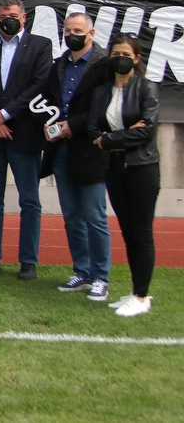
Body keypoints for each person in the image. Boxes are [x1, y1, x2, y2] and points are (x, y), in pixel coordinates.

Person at [0, 0, 53, 280]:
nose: (9, 19)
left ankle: (28, 261)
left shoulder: (41, 46)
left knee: (29, 200)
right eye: (4, 15)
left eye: (14, 14)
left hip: (24, 134)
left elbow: (40, 85)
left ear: (24, 16)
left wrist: (5, 114)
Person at [42, 13, 112, 301]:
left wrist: (74, 125)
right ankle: (81, 271)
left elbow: (106, 109)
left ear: (91, 33)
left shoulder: (104, 66)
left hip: (91, 150)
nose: (73, 34)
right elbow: (48, 102)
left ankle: (101, 276)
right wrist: (50, 124)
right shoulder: (59, 65)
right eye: (68, 30)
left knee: (94, 216)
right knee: (71, 216)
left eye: (78, 30)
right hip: (62, 151)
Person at [89, 33, 160, 317]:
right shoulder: (102, 92)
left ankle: (142, 296)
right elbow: (93, 130)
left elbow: (147, 131)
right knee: (128, 232)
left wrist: (109, 139)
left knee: (141, 233)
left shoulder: (147, 89)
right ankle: (135, 291)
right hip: (114, 168)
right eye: (116, 53)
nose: (120, 58)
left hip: (142, 168)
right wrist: (121, 135)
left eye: (126, 54)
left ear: (137, 58)